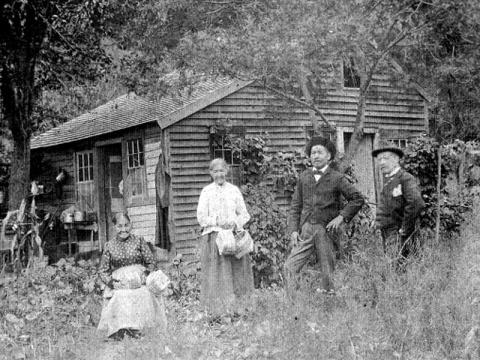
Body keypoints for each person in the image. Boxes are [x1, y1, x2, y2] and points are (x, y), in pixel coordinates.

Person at [284, 137, 364, 292]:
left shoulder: (337, 178)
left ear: (328, 156)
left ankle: (329, 302)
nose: (316, 156)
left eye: (320, 152)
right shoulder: (304, 177)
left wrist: (341, 217)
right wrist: (293, 230)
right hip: (306, 229)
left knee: (328, 273)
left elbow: (357, 199)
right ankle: (292, 303)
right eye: (313, 152)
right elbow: (295, 206)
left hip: (326, 230)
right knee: (289, 267)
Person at [196, 158, 253, 315]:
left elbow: (244, 214)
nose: (219, 174)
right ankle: (218, 312)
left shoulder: (234, 190)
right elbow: (201, 218)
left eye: (221, 171)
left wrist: (235, 224)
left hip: (233, 237)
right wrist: (217, 221)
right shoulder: (207, 192)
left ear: (226, 171)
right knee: (218, 275)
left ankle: (239, 310)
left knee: (237, 272)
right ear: (210, 173)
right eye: (215, 171)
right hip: (214, 238)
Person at [97, 212, 167, 340]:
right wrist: (112, 283)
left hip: (139, 281)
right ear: (114, 227)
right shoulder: (109, 245)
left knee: (145, 294)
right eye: (119, 226)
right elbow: (103, 270)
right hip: (120, 283)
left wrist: (145, 276)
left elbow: (151, 262)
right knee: (120, 296)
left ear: (131, 225)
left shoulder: (139, 241)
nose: (123, 229)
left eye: (126, 225)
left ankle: (142, 329)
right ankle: (121, 330)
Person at [372, 146, 425, 262]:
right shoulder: (389, 181)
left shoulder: (405, 178)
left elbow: (416, 203)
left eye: (385, 159)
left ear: (396, 160)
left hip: (399, 234)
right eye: (379, 160)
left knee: (399, 268)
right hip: (389, 233)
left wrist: (405, 229)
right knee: (396, 269)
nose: (381, 163)